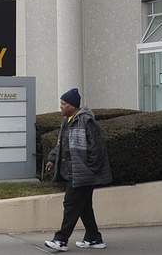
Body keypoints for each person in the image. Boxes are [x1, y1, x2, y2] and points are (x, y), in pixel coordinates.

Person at [44, 88, 112, 252]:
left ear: (73, 106)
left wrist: (90, 168)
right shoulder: (67, 121)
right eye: (61, 103)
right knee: (84, 206)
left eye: (64, 103)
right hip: (75, 172)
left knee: (71, 203)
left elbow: (97, 147)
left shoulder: (86, 121)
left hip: (83, 173)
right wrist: (52, 158)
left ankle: (61, 240)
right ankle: (94, 238)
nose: (61, 106)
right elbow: (62, 144)